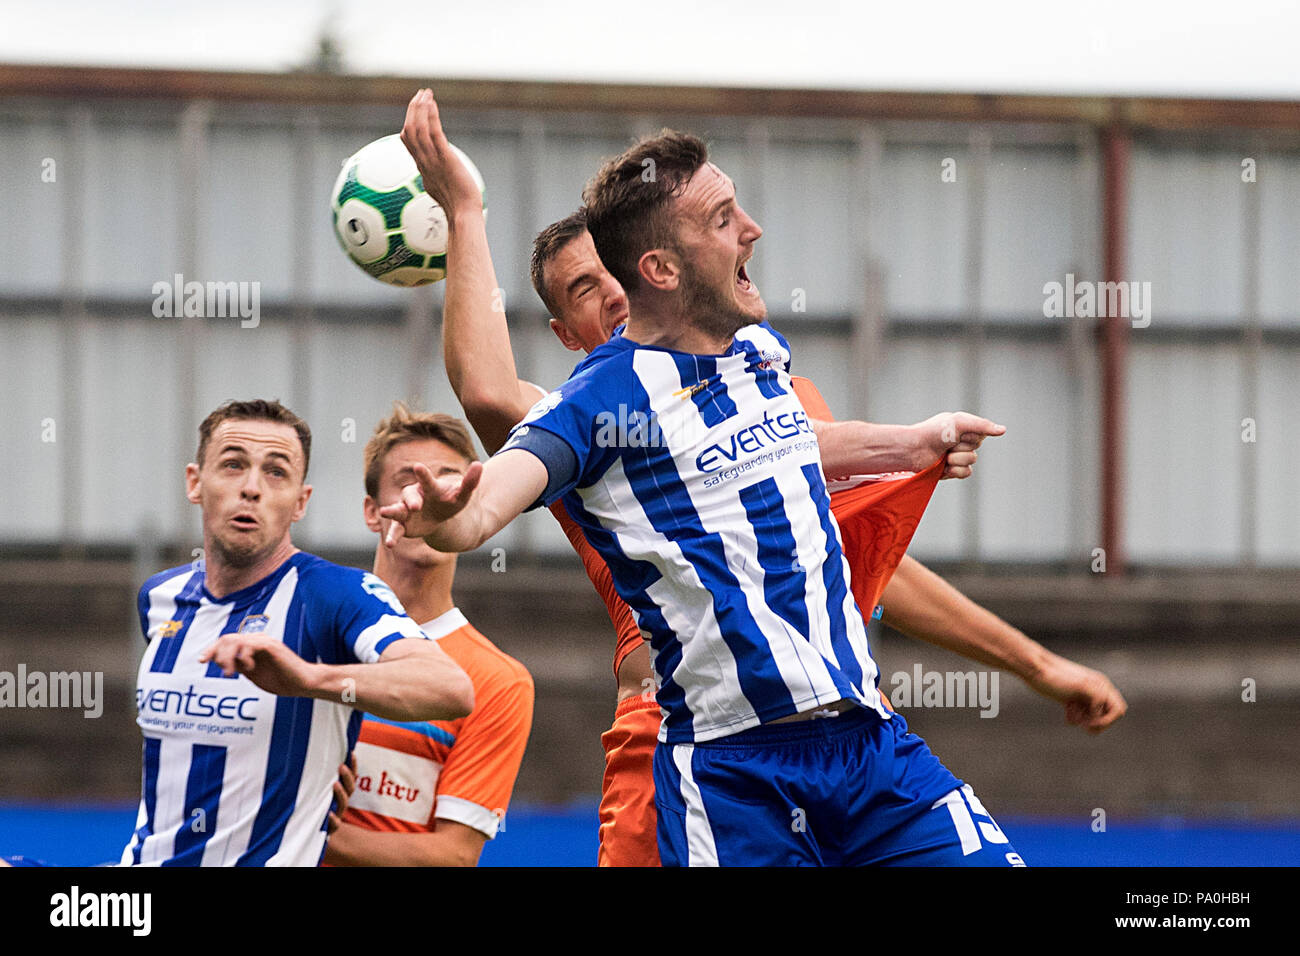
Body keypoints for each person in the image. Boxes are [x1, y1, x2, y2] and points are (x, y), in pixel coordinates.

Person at [397, 89, 1125, 865]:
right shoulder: (591, 413)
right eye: (585, 288)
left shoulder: (757, 365)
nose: (611, 292)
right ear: (567, 331)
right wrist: (465, 218)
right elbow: (487, 405)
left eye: (610, 272)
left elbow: (859, 554)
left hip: (855, 730)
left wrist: (909, 447)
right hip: (689, 746)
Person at [122, 399, 474, 867]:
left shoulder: (335, 594)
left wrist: (307, 680)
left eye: (275, 472)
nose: (251, 488)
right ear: (195, 482)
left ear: (300, 502)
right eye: (232, 465)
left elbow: (450, 688)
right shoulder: (160, 597)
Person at [323, 405, 534, 866]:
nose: (428, 496)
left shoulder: (498, 681)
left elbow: (451, 858)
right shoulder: (312, 629)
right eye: (408, 481)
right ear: (371, 512)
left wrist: (308, 831)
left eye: (448, 481)